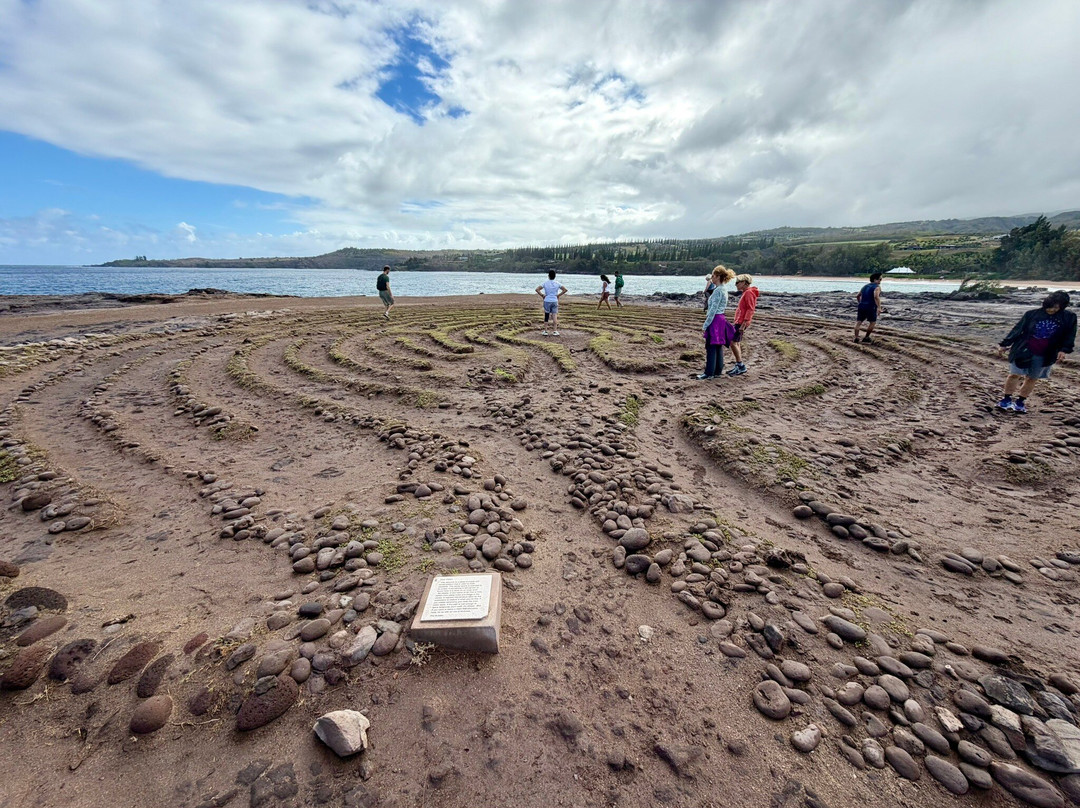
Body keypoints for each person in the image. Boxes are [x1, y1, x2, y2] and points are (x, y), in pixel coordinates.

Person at [995, 290, 1076, 414]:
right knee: (1014, 374)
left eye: (1055, 308)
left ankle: (1020, 402)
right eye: (1049, 307)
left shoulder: (1069, 317)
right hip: (1023, 349)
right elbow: (1018, 329)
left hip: (1046, 353)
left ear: (1062, 306)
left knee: (1032, 378)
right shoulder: (1032, 314)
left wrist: (1064, 350)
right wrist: (1005, 344)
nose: (1051, 310)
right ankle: (1006, 399)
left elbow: (1070, 334)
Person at [699, 265, 736, 379]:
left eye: (714, 276)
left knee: (711, 345)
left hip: (715, 319)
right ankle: (717, 371)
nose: (712, 278)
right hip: (721, 318)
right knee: (718, 345)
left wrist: (705, 325)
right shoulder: (723, 289)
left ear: (718, 276)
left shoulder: (718, 291)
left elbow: (713, 310)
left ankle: (709, 372)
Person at [727, 273, 760, 376]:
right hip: (739, 321)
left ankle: (740, 365)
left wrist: (744, 324)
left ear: (745, 283)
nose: (736, 284)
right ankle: (738, 365)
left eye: (738, 282)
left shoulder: (748, 293)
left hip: (741, 322)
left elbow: (750, 309)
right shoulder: (746, 292)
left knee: (732, 342)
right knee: (736, 343)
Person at [535, 270, 568, 336]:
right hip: (554, 300)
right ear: (555, 276)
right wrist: (558, 295)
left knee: (546, 315)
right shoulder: (557, 283)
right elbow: (565, 290)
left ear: (548, 276)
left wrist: (542, 295)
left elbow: (537, 289)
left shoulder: (545, 283)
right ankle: (555, 331)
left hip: (547, 300)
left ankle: (545, 331)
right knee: (554, 315)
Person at [854, 272, 883, 342]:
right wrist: (879, 307)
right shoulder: (877, 287)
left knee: (858, 322)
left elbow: (857, 296)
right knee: (872, 322)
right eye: (880, 279)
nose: (880, 282)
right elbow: (876, 296)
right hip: (871, 306)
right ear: (875, 279)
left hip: (862, 305)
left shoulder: (865, 286)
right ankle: (866, 337)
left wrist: (860, 303)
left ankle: (856, 337)